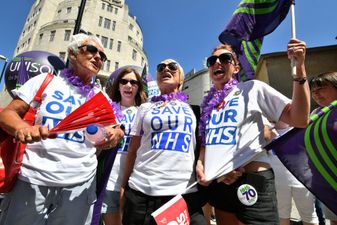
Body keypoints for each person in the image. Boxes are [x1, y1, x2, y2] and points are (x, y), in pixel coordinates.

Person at [0, 33, 124, 225]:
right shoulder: (45, 81)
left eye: (102, 55)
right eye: (91, 50)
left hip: (79, 186)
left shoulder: (101, 97)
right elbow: (7, 114)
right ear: (72, 54)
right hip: (32, 180)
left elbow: (116, 130)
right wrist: (22, 128)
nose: (98, 57)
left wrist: (115, 135)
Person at [196, 38, 310, 225]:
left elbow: (299, 118)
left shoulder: (252, 89)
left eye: (225, 58)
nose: (217, 63)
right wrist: (202, 163)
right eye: (212, 61)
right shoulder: (208, 105)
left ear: (236, 67)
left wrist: (299, 70)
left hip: (252, 180)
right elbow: (206, 143)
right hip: (220, 184)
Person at [120, 59, 207, 225]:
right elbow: (133, 149)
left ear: (181, 79)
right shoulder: (144, 108)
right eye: (161, 67)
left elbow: (205, 145)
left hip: (184, 195)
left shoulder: (195, 110)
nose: (166, 69)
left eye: (172, 67)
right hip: (141, 194)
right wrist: (124, 186)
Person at [101, 66, 147, 225]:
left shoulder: (144, 112)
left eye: (133, 82)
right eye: (124, 81)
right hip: (108, 179)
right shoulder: (107, 110)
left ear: (138, 87)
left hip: (134, 184)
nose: (128, 85)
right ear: (118, 85)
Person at [268, 121, 319, 225]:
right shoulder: (266, 131)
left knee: (309, 217)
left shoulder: (302, 128)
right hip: (277, 181)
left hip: (302, 180)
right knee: (282, 216)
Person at [310, 71, 337, 225]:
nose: (316, 94)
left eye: (321, 89)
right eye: (313, 91)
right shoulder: (315, 114)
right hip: (328, 178)